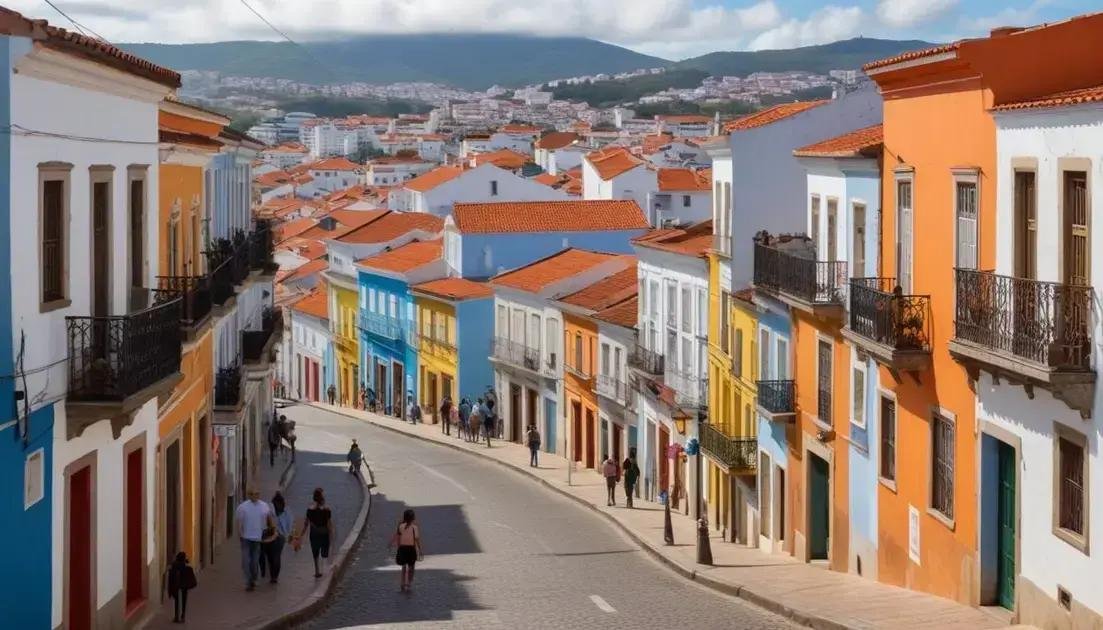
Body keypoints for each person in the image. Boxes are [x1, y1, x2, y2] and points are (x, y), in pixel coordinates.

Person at [235, 488, 274, 591]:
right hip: (246, 538)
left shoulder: (264, 506)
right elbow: (239, 522)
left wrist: (273, 531)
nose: (255, 496)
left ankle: (254, 578)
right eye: (252, 494)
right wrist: (240, 534)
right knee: (245, 561)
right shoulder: (242, 507)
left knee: (254, 561)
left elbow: (270, 520)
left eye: (257, 493)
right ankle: (248, 582)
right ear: (249, 495)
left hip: (257, 539)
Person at [301, 488, 335, 578]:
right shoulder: (327, 510)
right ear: (322, 499)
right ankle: (323, 570)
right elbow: (329, 524)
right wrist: (331, 535)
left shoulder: (309, 510)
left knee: (315, 552)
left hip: (314, 533)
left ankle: (317, 571)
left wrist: (301, 535)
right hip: (324, 533)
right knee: (324, 552)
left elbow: (306, 523)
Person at [260, 492, 292, 584]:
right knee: (276, 556)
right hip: (280, 536)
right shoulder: (286, 511)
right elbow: (289, 525)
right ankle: (275, 577)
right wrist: (288, 535)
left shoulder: (269, 508)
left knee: (270, 556)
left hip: (270, 535)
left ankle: (272, 575)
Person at [390, 508, 423, 593]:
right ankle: (408, 583)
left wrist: (393, 544)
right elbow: (417, 540)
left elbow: (398, 536)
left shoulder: (401, 526)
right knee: (411, 567)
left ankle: (402, 583)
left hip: (402, 548)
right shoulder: (414, 528)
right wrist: (420, 550)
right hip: (411, 549)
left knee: (404, 567)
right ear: (413, 518)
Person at [166, 551, 197, 623]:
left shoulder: (174, 565)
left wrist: (170, 591)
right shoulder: (185, 565)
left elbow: (171, 577)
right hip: (184, 584)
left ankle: (176, 616)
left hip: (176, 585)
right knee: (184, 599)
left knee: (177, 601)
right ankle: (183, 615)